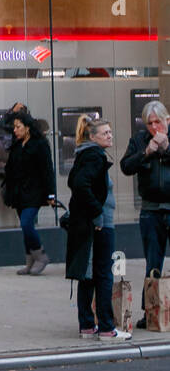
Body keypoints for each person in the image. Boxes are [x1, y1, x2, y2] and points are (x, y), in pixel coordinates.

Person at [66, 116, 128, 340]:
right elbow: (80, 184)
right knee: (103, 274)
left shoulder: (84, 154)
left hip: (89, 222)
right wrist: (97, 213)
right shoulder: (94, 156)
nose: (109, 136)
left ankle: (87, 325)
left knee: (88, 274)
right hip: (100, 224)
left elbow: (75, 182)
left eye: (110, 132)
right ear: (92, 137)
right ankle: (106, 328)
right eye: (105, 133)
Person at [119, 99, 170, 327]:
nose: (154, 127)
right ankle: (151, 312)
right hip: (151, 209)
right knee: (152, 263)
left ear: (167, 119)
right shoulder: (139, 140)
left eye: (157, 122)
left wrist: (166, 149)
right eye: (149, 123)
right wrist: (146, 153)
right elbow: (126, 166)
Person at [2, 111, 57, 275]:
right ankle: (29, 261)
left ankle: (41, 256)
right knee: (25, 226)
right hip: (18, 192)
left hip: (34, 192)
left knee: (26, 223)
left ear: (27, 128)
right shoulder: (17, 145)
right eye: (14, 127)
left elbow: (48, 171)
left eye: (18, 127)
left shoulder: (39, 145)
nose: (15, 130)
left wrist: (51, 195)